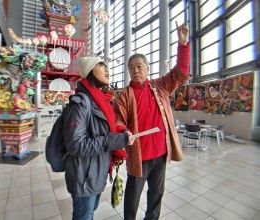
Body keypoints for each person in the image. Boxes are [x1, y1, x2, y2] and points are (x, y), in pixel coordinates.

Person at [113, 23, 190, 220]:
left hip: (160, 154)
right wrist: (125, 131)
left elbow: (180, 72)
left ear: (147, 68)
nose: (135, 70)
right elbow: (118, 119)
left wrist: (183, 44)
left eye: (139, 66)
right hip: (139, 155)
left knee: (156, 194)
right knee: (133, 196)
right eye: (131, 68)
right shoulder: (125, 95)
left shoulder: (160, 86)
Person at [63, 56, 135, 220]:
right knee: (84, 216)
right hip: (85, 175)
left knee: (90, 210)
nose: (107, 70)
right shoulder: (81, 104)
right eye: (102, 66)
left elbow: (106, 126)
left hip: (98, 170)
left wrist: (121, 129)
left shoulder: (101, 100)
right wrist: (118, 140)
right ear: (89, 71)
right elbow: (75, 145)